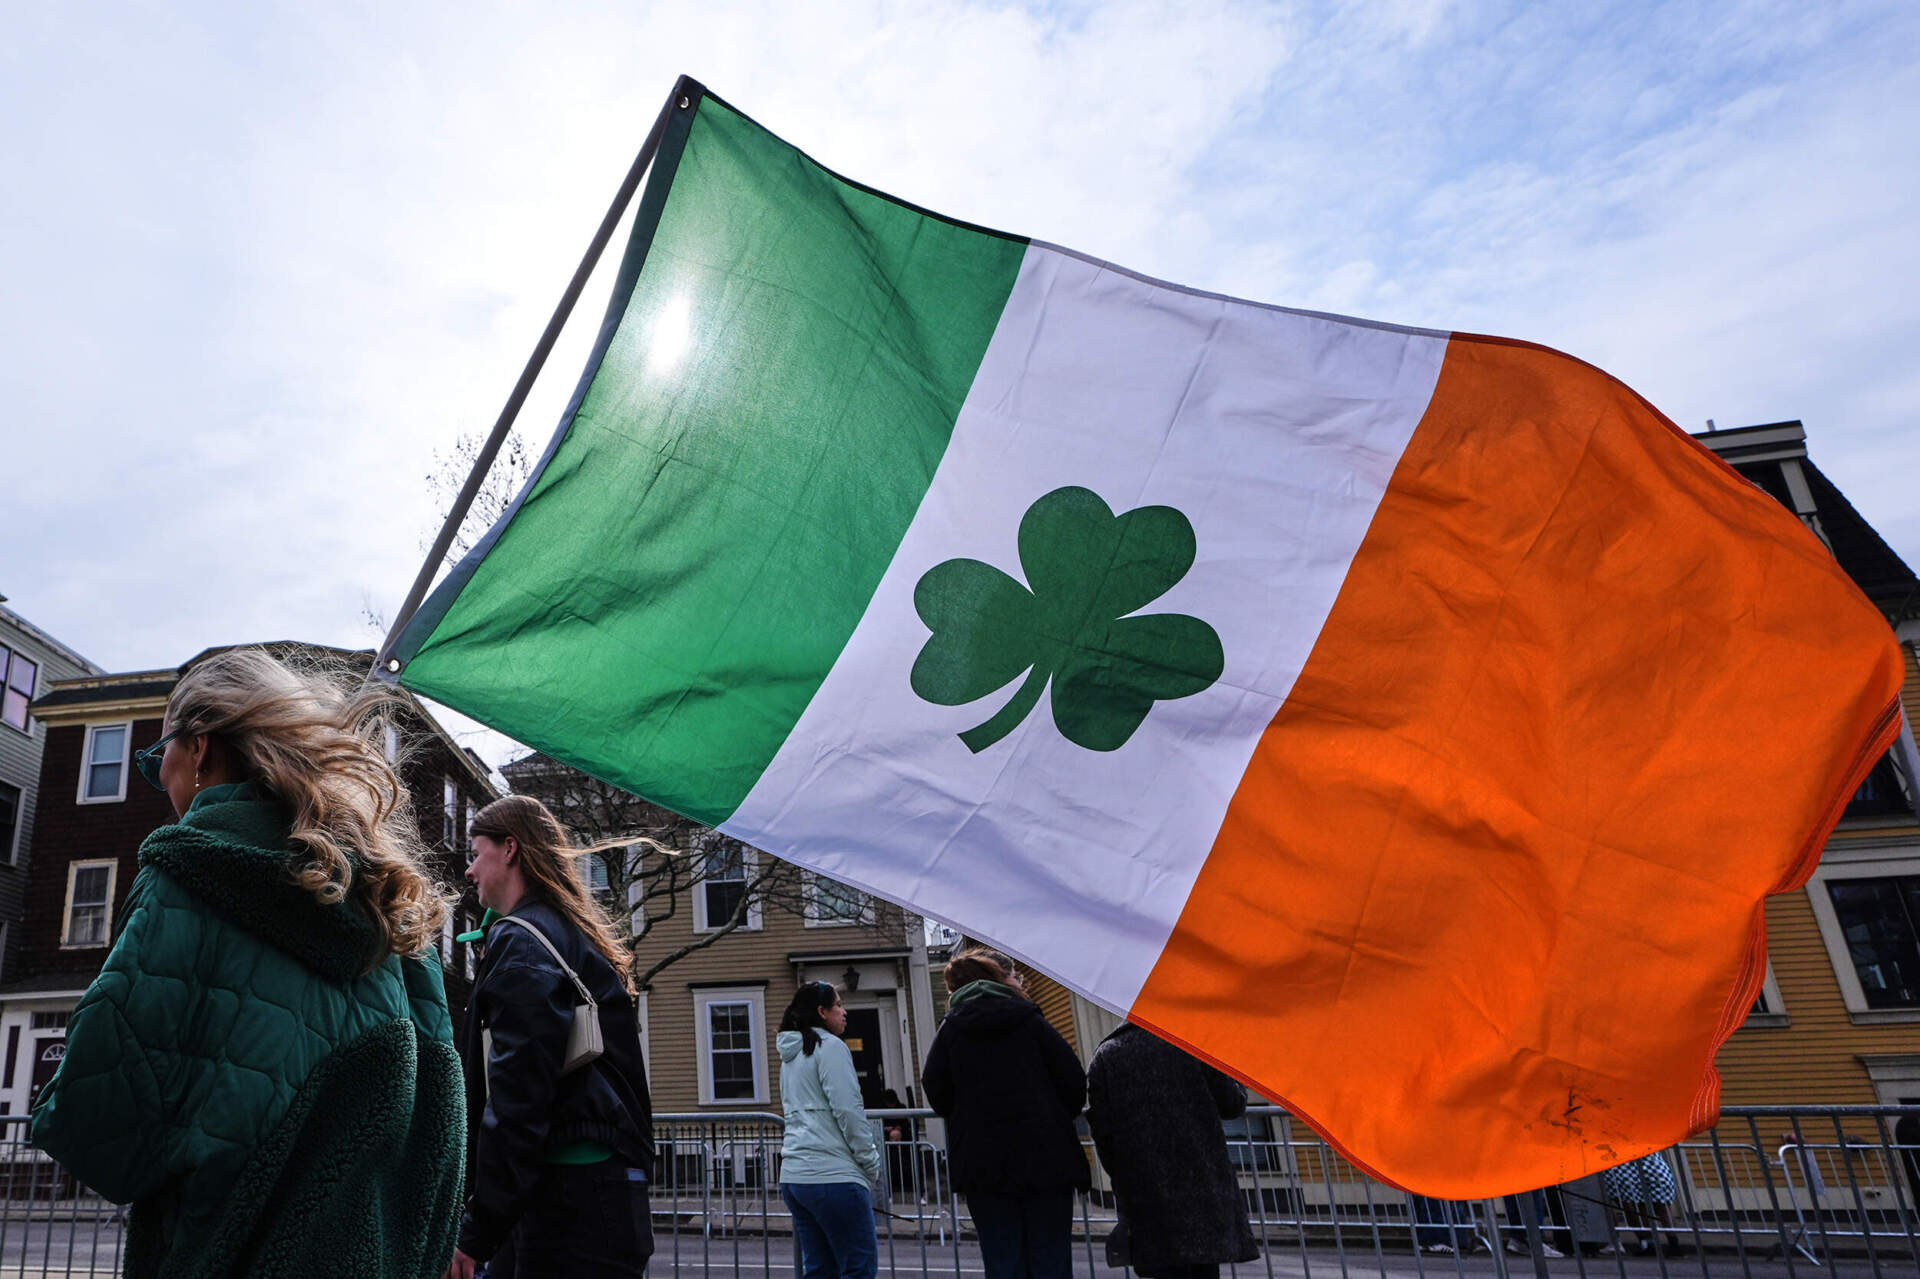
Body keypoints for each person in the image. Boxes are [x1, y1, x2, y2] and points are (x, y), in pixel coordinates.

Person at [30, 647, 465, 1278]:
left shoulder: (183, 874)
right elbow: (439, 1127)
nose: (164, 783)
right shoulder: (392, 897)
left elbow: (102, 1129)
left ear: (200, 747)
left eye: (160, 760)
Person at [446, 795, 655, 1279]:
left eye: (477, 853)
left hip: (569, 1198)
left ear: (511, 849)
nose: (470, 871)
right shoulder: (564, 932)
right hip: (586, 1189)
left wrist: (475, 1232)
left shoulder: (523, 945)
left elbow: (518, 1096)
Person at [921, 947, 1088, 1279]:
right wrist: (1053, 1115)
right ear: (999, 980)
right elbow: (1072, 1080)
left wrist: (966, 1116)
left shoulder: (951, 1031)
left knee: (1002, 1260)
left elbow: (936, 1089)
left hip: (983, 1163)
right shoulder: (1031, 1021)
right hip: (1046, 1157)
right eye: (1014, 976)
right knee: (1051, 1257)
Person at [1086, 1024, 1259, 1279]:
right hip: (1202, 1183)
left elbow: (1103, 1133)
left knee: (1165, 1269)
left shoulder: (1106, 1055)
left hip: (1146, 1190)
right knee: (1204, 1268)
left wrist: (1123, 1177)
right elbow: (1232, 1105)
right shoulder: (1192, 1044)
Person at [778, 981, 884, 1279]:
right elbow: (848, 1111)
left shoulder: (791, 1055)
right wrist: (870, 1162)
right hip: (834, 1175)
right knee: (858, 1269)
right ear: (822, 1011)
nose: (844, 1012)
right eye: (838, 1005)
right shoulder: (831, 1047)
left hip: (795, 1177)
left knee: (820, 1270)